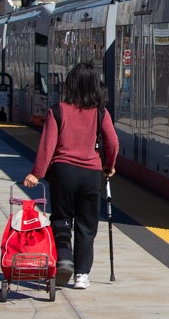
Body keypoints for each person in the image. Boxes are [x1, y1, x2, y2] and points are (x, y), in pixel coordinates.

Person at [23, 62, 118, 290]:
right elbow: (112, 142)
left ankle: (64, 259)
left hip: (63, 172)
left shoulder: (58, 110)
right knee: (87, 224)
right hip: (91, 174)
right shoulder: (100, 112)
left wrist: (37, 173)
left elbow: (48, 145)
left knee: (61, 219)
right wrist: (109, 165)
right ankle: (82, 275)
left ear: (71, 85)